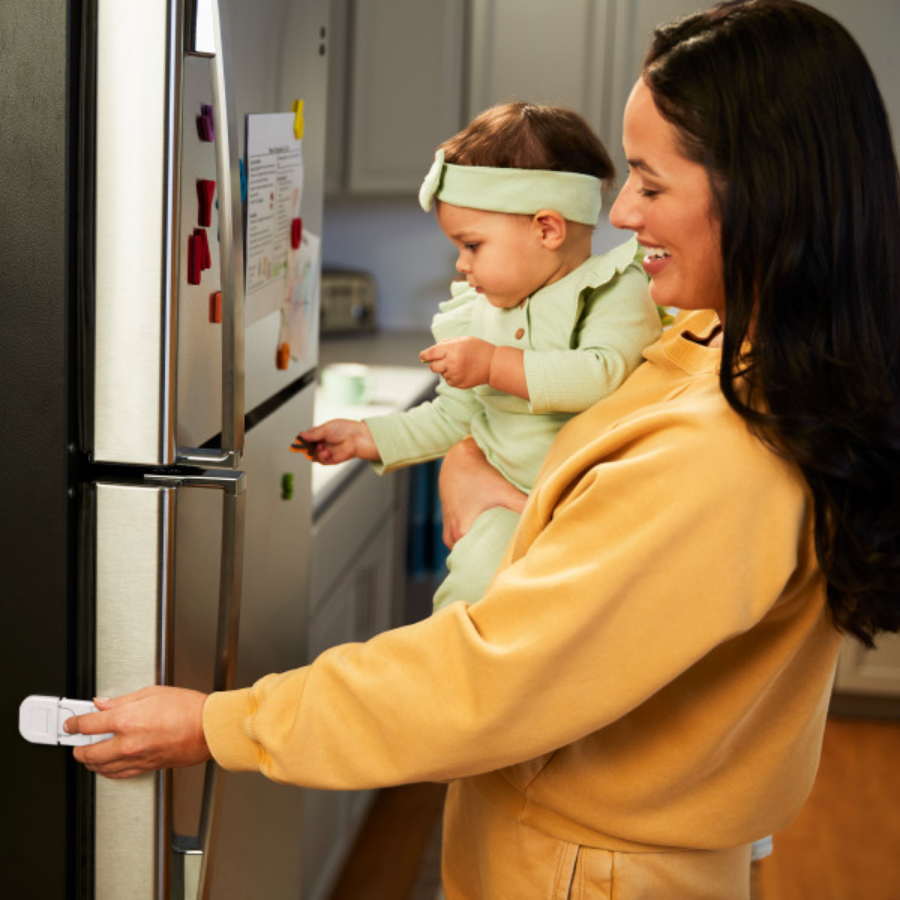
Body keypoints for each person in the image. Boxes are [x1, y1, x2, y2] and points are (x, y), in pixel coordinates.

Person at [67, 2, 900, 897]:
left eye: (651, 186)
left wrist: (220, 724)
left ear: (764, 194)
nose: (621, 212)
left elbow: (485, 678)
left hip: (587, 875)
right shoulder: (726, 349)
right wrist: (488, 473)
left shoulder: (726, 446)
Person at [298, 102, 662, 611]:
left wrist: (494, 364)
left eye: (471, 245)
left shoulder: (615, 288)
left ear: (547, 229)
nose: (461, 264)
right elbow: (454, 417)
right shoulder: (480, 314)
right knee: (465, 600)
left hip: (584, 509)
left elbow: (604, 376)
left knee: (490, 615)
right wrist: (367, 436)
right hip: (501, 504)